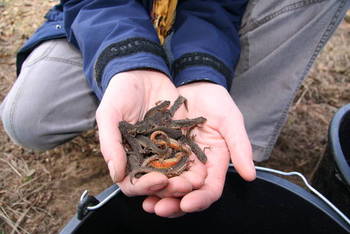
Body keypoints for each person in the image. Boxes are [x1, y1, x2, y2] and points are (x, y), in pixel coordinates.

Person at [0, 0, 349, 218]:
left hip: (212, 26)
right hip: (110, 18)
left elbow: (217, 8)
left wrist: (203, 70)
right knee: (28, 117)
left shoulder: (171, 138)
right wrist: (127, 61)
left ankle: (230, 128)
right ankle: (146, 65)